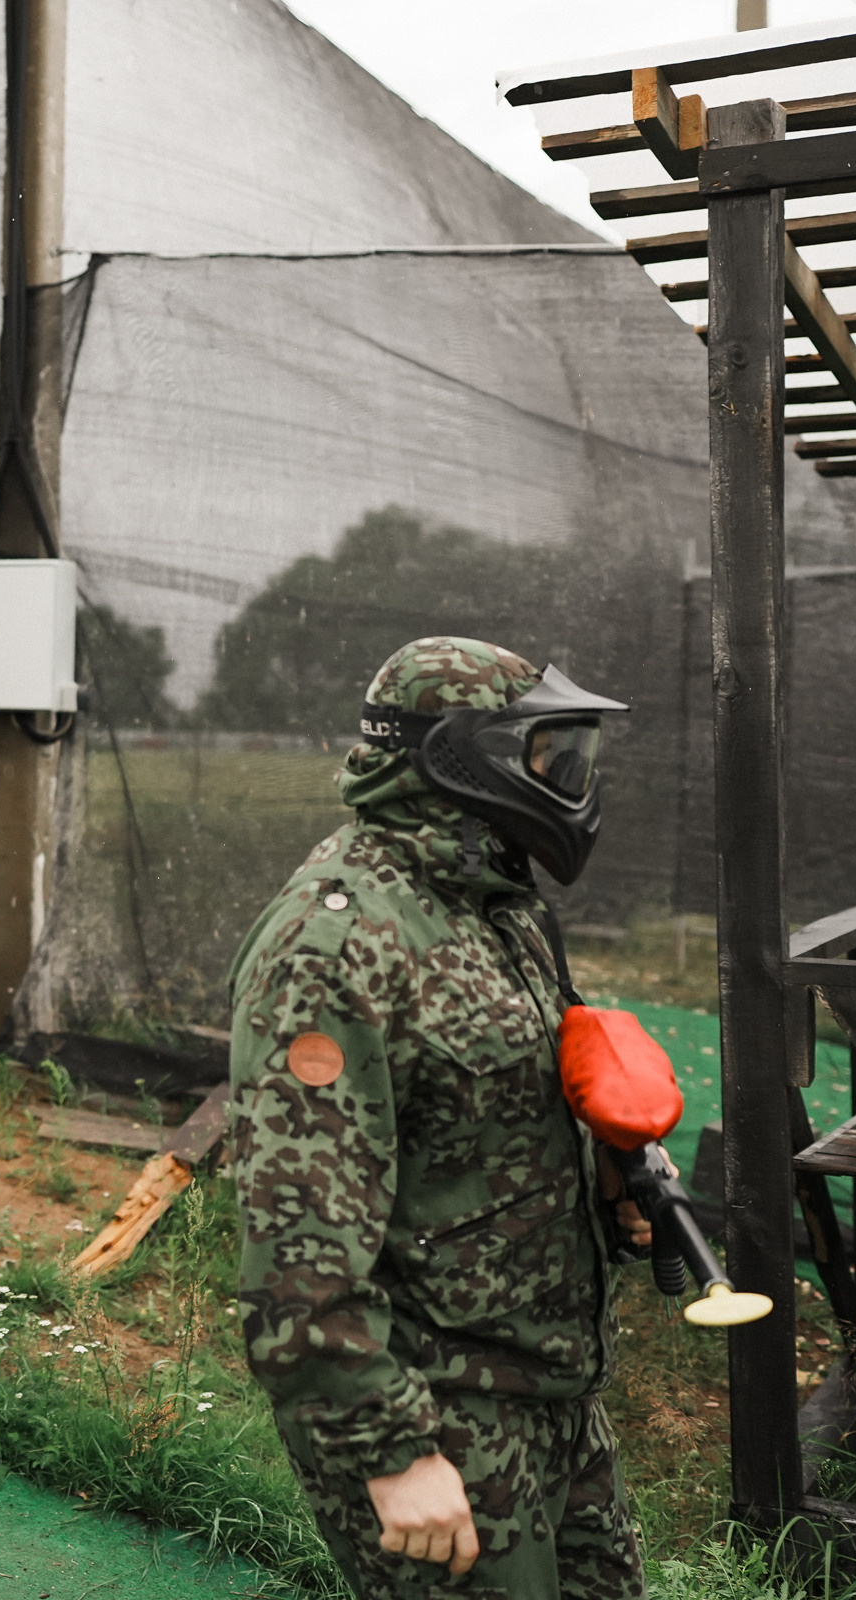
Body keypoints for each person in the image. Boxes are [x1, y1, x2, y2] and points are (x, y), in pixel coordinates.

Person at [227, 636, 644, 1600]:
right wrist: (394, 1454)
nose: (569, 780)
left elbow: (487, 1116)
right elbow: (297, 1252)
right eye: (547, 754)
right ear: (464, 755)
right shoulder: (334, 942)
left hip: (549, 1395)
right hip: (436, 1412)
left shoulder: (492, 900)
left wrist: (607, 1176)